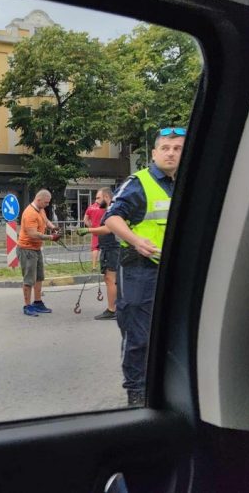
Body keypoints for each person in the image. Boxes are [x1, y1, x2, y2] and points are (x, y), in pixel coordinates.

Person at [102, 127, 186, 406]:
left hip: (173, 271)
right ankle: (136, 392)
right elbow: (112, 218)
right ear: (154, 153)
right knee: (138, 335)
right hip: (139, 269)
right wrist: (136, 241)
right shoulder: (139, 182)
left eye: (177, 148)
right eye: (165, 148)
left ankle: (164, 386)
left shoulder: (185, 184)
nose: (171, 153)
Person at [77, 187, 119, 320]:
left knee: (110, 279)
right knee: (110, 279)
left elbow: (108, 228)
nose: (96, 201)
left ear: (106, 197)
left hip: (112, 248)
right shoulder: (109, 210)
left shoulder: (113, 210)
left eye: (98, 198)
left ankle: (112, 310)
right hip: (109, 248)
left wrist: (88, 230)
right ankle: (115, 308)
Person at [18, 189, 60, 317]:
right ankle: (27, 306)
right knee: (29, 279)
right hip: (27, 249)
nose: (47, 204)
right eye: (46, 202)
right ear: (38, 199)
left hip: (36, 248)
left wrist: (53, 227)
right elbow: (33, 234)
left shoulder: (40, 210)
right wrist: (51, 237)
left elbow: (46, 221)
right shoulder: (30, 213)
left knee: (39, 277)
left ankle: (37, 302)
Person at [83, 191, 105, 269]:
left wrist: (91, 227)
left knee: (95, 248)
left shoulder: (90, 207)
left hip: (95, 231)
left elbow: (85, 220)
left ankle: (94, 266)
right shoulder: (104, 208)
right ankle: (105, 265)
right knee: (106, 248)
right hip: (104, 230)